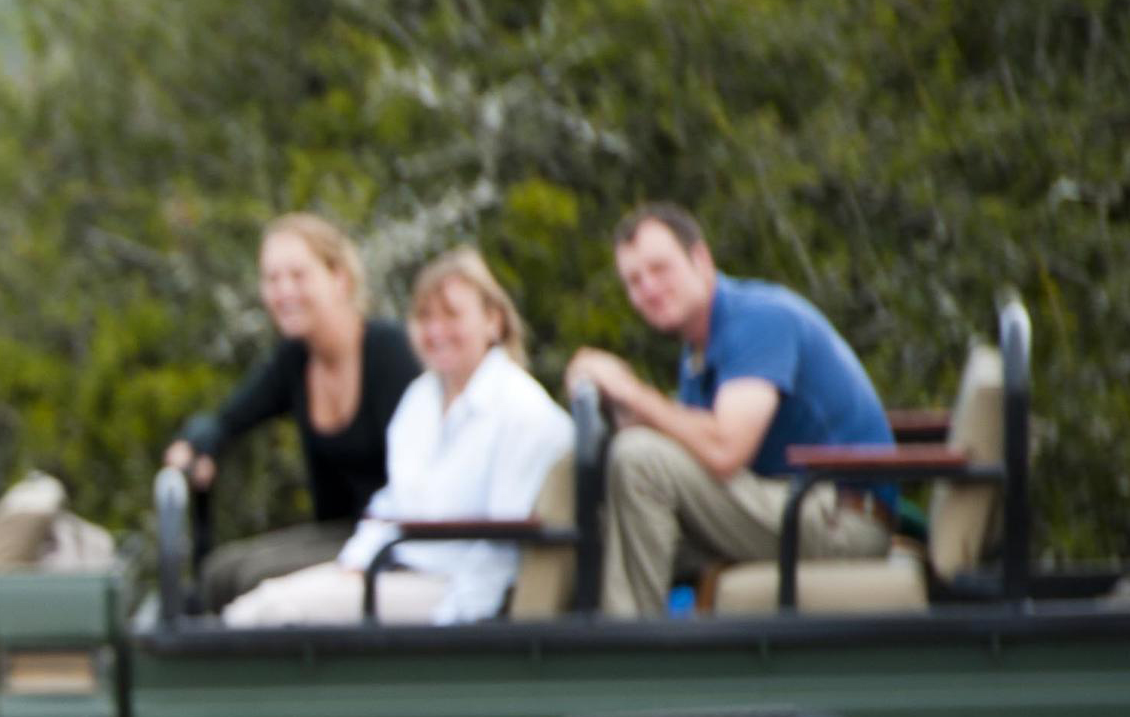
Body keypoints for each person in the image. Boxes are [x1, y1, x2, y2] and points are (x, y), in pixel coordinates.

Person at [563, 205, 894, 619]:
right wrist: (617, 401)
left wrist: (630, 389)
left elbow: (725, 448)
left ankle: (628, 662)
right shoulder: (697, 352)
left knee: (638, 460)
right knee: (605, 514)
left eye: (659, 268)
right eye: (634, 280)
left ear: (700, 259)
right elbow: (688, 450)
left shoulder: (757, 320)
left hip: (841, 521)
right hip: (785, 505)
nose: (648, 288)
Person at [225, 248, 570, 627]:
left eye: (452, 315)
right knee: (253, 599)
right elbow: (394, 503)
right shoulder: (423, 397)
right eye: (425, 317)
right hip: (395, 572)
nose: (436, 332)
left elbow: (499, 553)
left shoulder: (522, 412)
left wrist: (446, 632)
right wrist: (355, 565)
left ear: (494, 321)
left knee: (267, 613)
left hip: (452, 594)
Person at [162, 214, 424, 611]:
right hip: (338, 533)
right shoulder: (295, 360)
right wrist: (196, 446)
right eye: (272, 279)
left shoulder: (390, 354)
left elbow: (422, 477)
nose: (284, 291)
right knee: (220, 571)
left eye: (298, 276)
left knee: (250, 580)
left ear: (339, 278)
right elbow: (228, 419)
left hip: (394, 541)